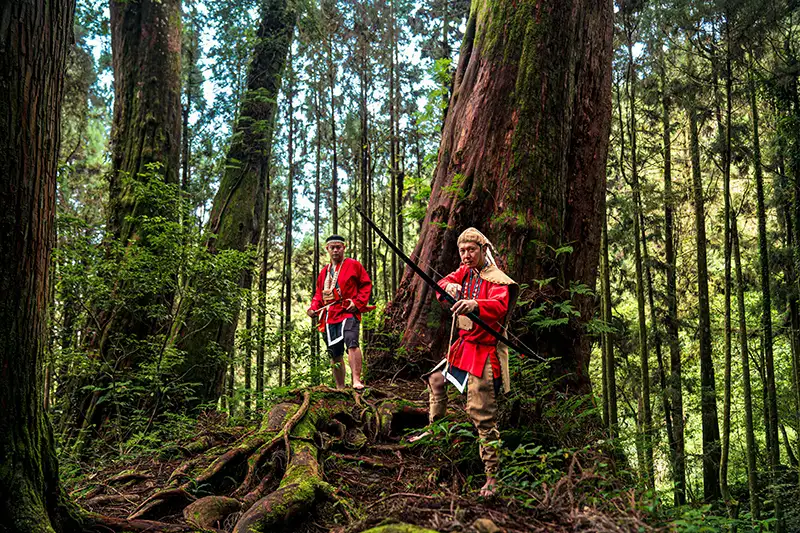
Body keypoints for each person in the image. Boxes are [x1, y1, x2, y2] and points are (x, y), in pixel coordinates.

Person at [424, 228, 518, 497]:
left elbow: (499, 307)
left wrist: (475, 304)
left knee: (482, 414)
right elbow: (441, 285)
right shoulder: (464, 272)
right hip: (463, 346)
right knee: (436, 380)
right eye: (463, 251)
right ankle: (435, 431)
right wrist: (449, 287)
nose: (466, 255)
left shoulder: (497, 279)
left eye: (471, 250)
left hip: (485, 352)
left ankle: (492, 476)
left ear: (483, 250)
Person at [307, 234, 373, 389]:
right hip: (330, 315)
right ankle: (340, 387)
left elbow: (366, 285)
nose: (335, 250)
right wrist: (313, 308)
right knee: (334, 352)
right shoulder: (324, 272)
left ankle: (356, 380)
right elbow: (319, 293)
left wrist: (357, 303)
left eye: (338, 247)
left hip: (348, 311)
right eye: (332, 248)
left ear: (344, 247)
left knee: (352, 341)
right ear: (327, 249)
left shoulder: (353, 265)